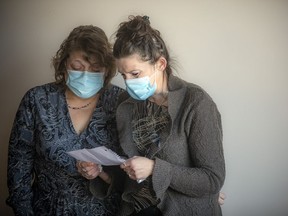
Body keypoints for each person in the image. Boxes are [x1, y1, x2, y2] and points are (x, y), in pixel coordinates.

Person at [113, 15, 225, 216]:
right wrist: (101, 172)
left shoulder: (196, 103)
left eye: (135, 74)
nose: (128, 83)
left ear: (161, 64)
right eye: (123, 75)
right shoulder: (126, 103)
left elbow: (211, 179)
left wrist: (155, 168)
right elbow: (128, 169)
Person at [6, 25, 125, 215]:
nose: (86, 75)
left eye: (96, 69)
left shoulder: (120, 102)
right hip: (46, 209)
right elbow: (18, 167)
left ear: (107, 70)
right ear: (63, 64)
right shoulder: (37, 100)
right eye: (77, 68)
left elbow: (132, 170)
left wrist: (102, 173)